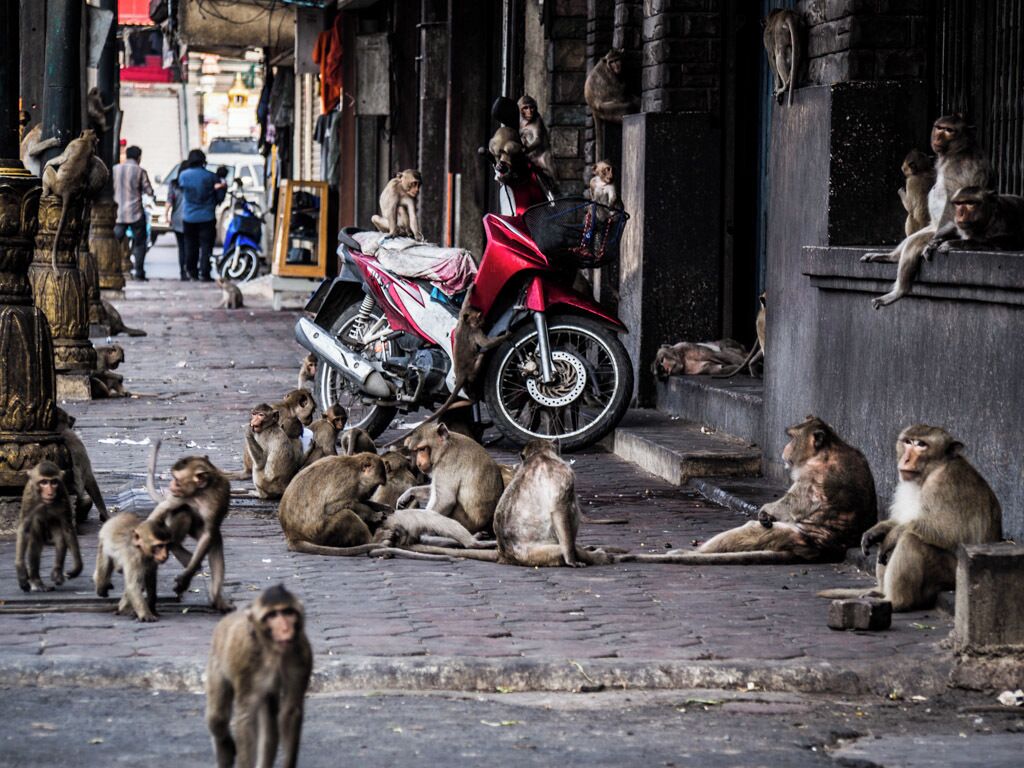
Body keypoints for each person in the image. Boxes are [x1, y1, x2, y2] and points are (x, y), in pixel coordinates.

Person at [177, 149, 226, 281]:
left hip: (189, 216)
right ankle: (205, 272)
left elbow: (181, 189)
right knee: (206, 246)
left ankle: (191, 272)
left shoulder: (183, 176)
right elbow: (219, 196)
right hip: (207, 216)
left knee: (190, 245)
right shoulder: (210, 177)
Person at [112, 145, 154, 281]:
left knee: (114, 242)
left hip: (118, 214)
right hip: (135, 213)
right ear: (139, 157)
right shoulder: (140, 171)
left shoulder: (115, 170)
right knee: (140, 243)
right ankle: (139, 272)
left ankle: (112, 268)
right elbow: (149, 191)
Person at [166, 171, 188, 280]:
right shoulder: (191, 182)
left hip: (177, 219)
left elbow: (169, 201)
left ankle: (182, 272)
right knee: (191, 246)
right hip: (190, 219)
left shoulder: (174, 184)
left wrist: (166, 216)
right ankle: (189, 270)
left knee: (181, 247)